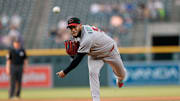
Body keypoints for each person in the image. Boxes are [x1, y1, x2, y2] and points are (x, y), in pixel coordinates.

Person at [56, 17, 126, 101]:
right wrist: (72, 55)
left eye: (75, 27)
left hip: (110, 52)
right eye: (70, 28)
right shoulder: (77, 35)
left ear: (80, 26)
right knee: (93, 72)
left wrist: (65, 72)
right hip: (94, 55)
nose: (73, 30)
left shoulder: (87, 37)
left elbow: (77, 60)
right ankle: (96, 99)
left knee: (122, 74)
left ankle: (120, 80)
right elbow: (76, 57)